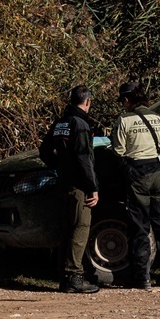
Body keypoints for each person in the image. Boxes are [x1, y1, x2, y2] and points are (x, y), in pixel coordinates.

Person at [111, 80, 160, 289]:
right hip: (157, 173)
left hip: (137, 174)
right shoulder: (156, 118)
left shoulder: (124, 120)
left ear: (126, 99)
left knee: (140, 227)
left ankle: (142, 277)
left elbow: (118, 151)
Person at [41, 85, 102, 294]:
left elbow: (44, 151)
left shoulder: (60, 122)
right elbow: (84, 158)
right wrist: (93, 187)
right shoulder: (81, 124)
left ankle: (64, 278)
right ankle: (75, 276)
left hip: (63, 184)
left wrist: (61, 166)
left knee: (67, 229)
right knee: (80, 228)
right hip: (79, 186)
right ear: (87, 102)